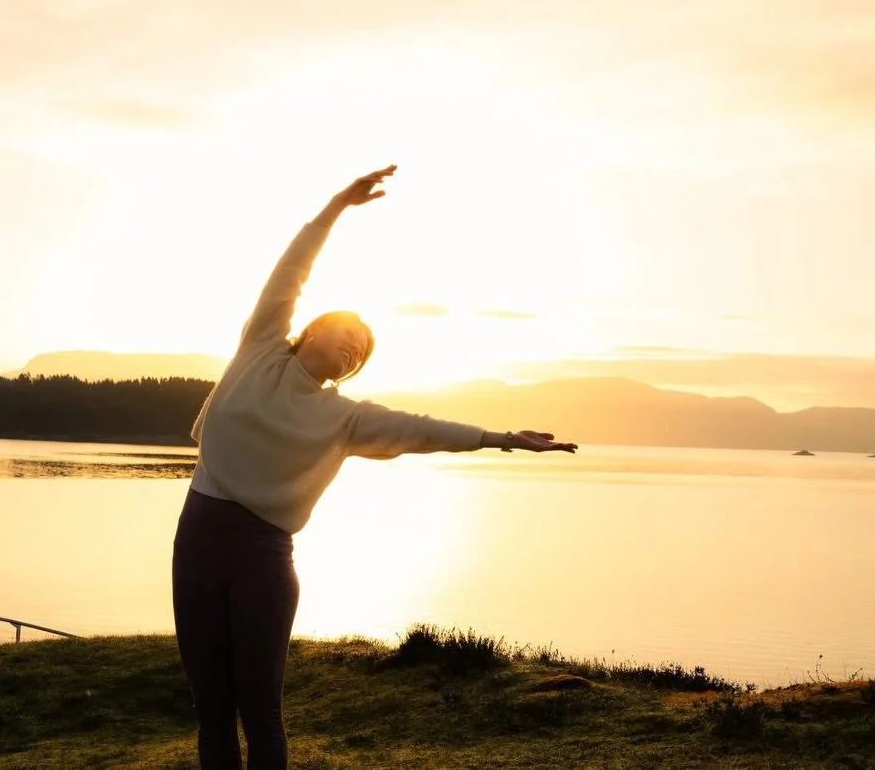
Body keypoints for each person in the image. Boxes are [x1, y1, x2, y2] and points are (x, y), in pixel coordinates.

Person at [171, 164, 578, 769]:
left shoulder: (346, 418)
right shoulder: (259, 347)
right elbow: (291, 270)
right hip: (197, 540)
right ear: (311, 330)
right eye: (348, 333)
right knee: (212, 710)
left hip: (263, 556)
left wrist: (503, 438)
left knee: (261, 712)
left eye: (362, 350)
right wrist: (337, 205)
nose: (354, 345)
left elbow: (422, 430)